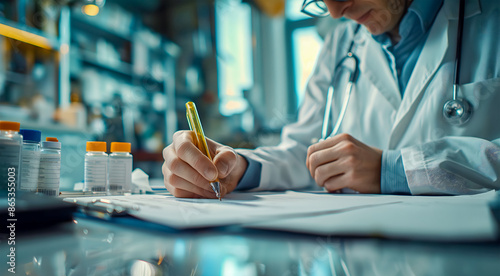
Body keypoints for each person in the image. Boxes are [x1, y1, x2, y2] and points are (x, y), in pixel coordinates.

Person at [162, 0, 500, 198]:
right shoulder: (343, 44)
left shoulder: (491, 20)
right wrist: (239, 167)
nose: (336, 12)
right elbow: (304, 153)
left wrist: (391, 170)